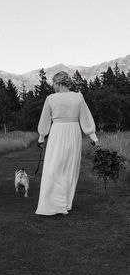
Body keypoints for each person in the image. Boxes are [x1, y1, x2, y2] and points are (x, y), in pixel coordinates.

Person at [35, 71, 100, 216]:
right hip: (73, 132)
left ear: (58, 83)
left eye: (53, 83)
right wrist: (93, 137)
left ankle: (56, 202)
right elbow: (86, 119)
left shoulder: (51, 99)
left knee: (54, 167)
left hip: (57, 133)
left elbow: (45, 120)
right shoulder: (78, 97)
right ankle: (66, 203)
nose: (53, 86)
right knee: (70, 167)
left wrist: (41, 138)